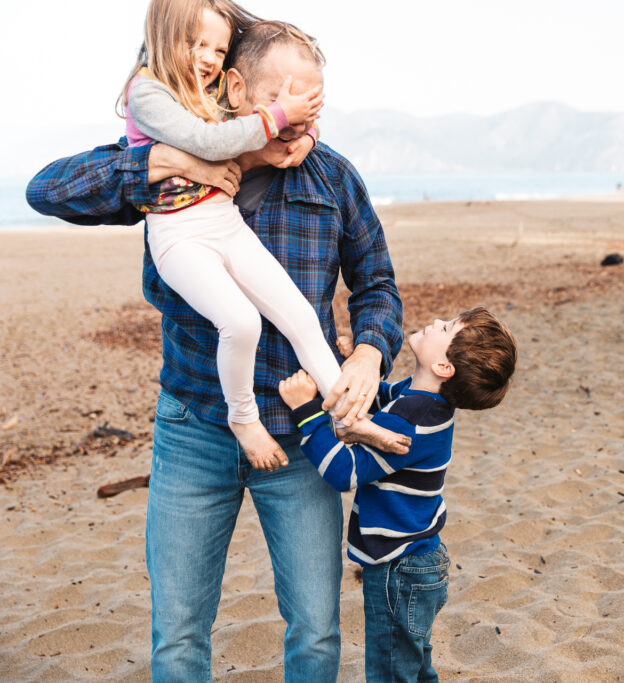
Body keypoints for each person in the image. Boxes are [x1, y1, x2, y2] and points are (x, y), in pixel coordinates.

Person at [27, 19, 403, 682]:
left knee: (316, 630)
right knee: (177, 635)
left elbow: (376, 283)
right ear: (235, 88)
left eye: (311, 98)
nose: (299, 115)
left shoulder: (334, 179)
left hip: (301, 437)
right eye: (282, 96)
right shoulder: (166, 162)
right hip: (193, 429)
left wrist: (370, 352)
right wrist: (149, 165)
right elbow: (46, 189)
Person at [121, 0, 344, 471]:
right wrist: (281, 114)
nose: (209, 58)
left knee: (301, 316)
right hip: (179, 234)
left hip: (223, 221)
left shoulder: (212, 90)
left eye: (219, 49)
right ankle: (244, 419)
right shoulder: (149, 93)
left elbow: (253, 114)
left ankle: (349, 411)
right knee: (242, 322)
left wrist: (305, 131)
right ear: (163, 35)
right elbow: (209, 142)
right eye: (196, 43)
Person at [278, 307, 517, 682]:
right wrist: (351, 364)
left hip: (398, 569)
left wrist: (304, 410)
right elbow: (377, 400)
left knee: (392, 673)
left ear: (443, 367)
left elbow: (344, 471)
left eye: (448, 327)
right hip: (421, 559)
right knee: (414, 668)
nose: (437, 321)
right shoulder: (421, 400)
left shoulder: (411, 420)